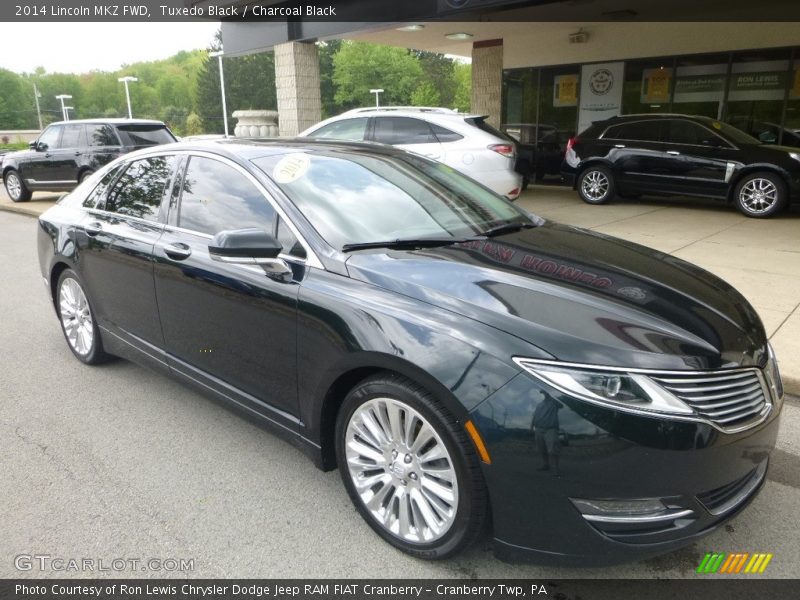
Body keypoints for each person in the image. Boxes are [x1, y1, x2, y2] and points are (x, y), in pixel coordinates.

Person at [531, 392, 562, 476]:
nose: (545, 393)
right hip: (538, 428)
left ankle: (556, 469)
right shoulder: (539, 404)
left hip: (550, 429)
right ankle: (546, 465)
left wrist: (551, 395)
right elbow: (534, 416)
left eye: (546, 392)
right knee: (542, 449)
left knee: (552, 450)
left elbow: (561, 405)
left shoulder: (554, 402)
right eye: (544, 392)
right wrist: (531, 426)